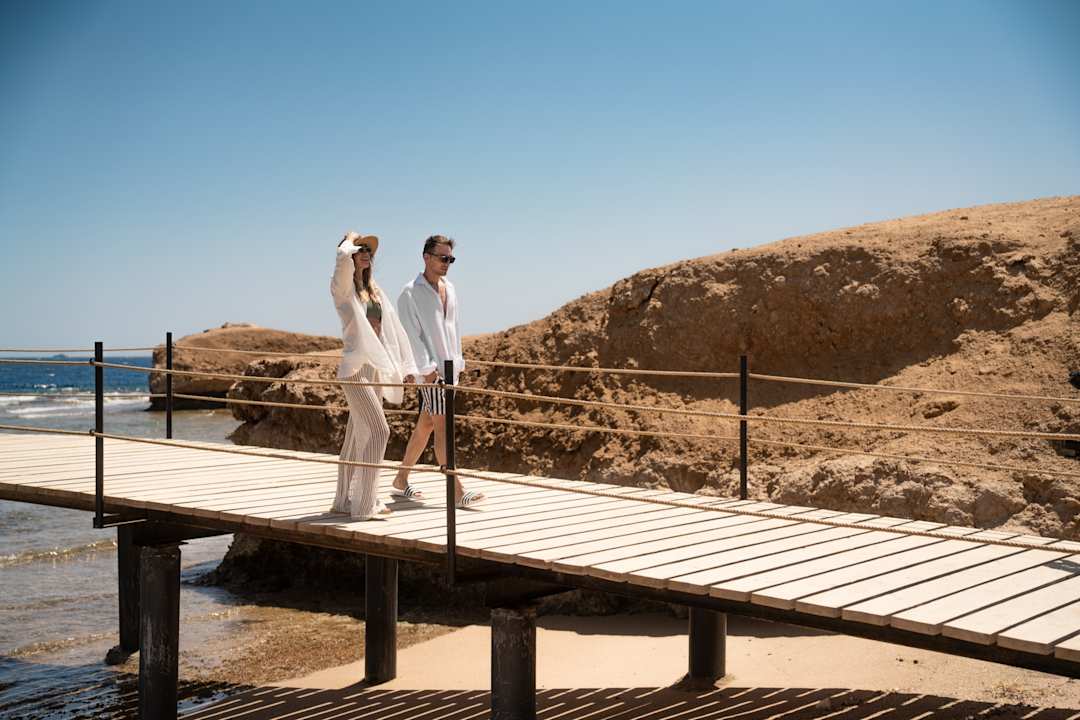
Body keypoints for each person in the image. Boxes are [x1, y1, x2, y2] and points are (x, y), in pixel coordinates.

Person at [330, 231, 419, 519]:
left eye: (368, 250)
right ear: (350, 253)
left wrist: (406, 367)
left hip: (376, 368)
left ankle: (343, 501)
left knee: (355, 437)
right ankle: (364, 504)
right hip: (355, 369)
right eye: (360, 249)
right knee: (380, 431)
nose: (366, 253)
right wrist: (349, 241)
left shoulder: (374, 290)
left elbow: (394, 331)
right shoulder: (342, 288)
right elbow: (341, 258)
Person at [395, 235, 485, 507]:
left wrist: (459, 361)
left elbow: (454, 327)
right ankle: (456, 491)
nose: (447, 263)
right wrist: (427, 371)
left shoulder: (451, 289)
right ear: (426, 257)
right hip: (432, 374)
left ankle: (400, 478)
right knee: (443, 427)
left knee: (426, 424)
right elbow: (411, 335)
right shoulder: (410, 292)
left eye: (450, 259)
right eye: (443, 258)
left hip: (450, 369)